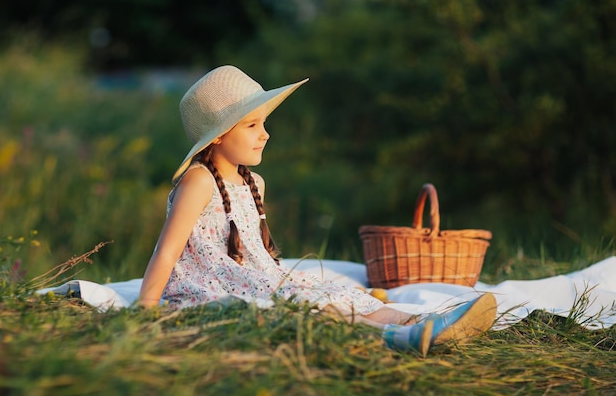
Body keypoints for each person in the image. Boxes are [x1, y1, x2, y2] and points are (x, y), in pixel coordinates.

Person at [138, 65, 497, 356]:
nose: (265, 134)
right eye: (252, 125)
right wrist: (146, 308)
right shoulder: (198, 181)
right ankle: (397, 338)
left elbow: (254, 251)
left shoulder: (253, 183)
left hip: (255, 276)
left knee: (332, 295)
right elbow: (167, 250)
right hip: (212, 283)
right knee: (304, 307)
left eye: (264, 123)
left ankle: (427, 322)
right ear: (217, 135)